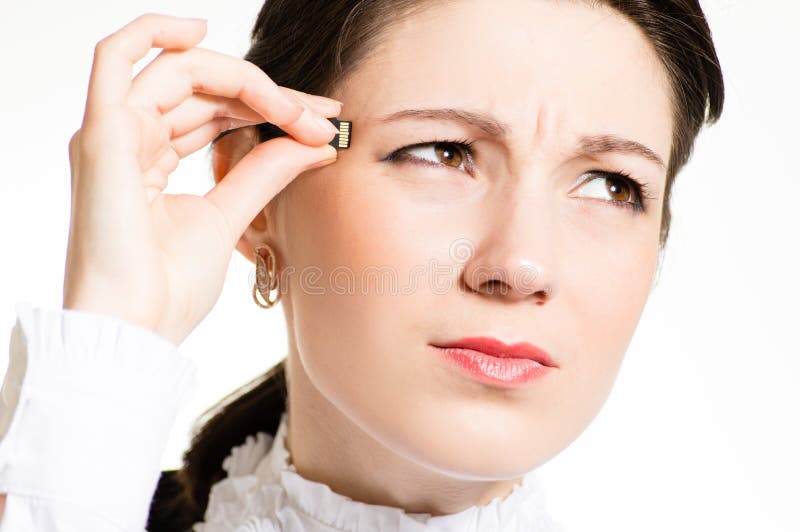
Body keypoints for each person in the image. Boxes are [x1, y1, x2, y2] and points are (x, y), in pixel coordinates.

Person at [0, 0, 725, 530]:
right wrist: (114, 340)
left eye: (610, 184)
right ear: (260, 191)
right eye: (444, 152)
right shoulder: (73, 500)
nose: (522, 263)